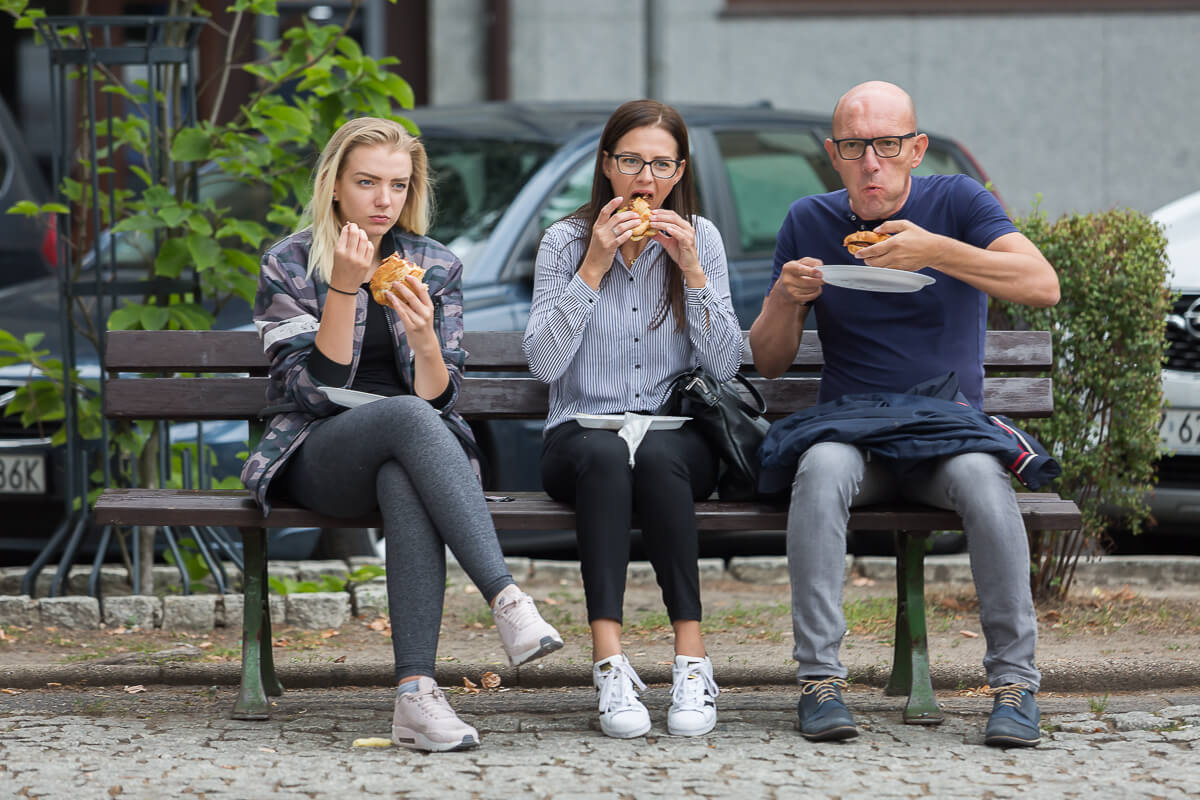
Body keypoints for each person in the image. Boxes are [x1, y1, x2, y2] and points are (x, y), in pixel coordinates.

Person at [748, 81, 1061, 748]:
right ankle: (819, 682)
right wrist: (785, 298)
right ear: (834, 154)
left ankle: (1014, 686)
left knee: (984, 478)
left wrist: (937, 251)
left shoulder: (958, 203)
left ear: (916, 149)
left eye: (888, 145)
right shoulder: (809, 220)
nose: (872, 163)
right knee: (822, 465)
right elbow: (770, 362)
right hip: (854, 437)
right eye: (856, 147)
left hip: (945, 436)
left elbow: (1042, 285)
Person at [241, 117, 563, 753]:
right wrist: (343, 286)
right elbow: (315, 391)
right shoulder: (290, 262)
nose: (383, 200)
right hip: (317, 453)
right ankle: (506, 598)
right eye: (366, 182)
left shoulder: (433, 265)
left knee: (406, 462)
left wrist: (422, 336)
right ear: (335, 185)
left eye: (396, 184)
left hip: (409, 461)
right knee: (410, 420)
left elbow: (442, 397)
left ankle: (416, 695)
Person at [523, 100, 744, 739]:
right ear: (606, 165)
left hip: (673, 436)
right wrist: (593, 265)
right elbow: (542, 364)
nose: (645, 178)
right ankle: (610, 663)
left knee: (652, 456)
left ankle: (691, 661)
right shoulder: (565, 241)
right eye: (631, 161)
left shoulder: (700, 238)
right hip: (581, 435)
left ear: (678, 173)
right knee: (605, 456)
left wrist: (694, 273)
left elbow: (727, 369)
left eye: (660, 164)